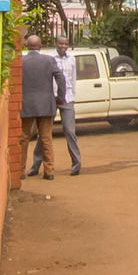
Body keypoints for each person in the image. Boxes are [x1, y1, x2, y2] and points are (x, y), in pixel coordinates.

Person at [19, 33, 65, 181]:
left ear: (27, 46)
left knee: (23, 139)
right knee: (46, 138)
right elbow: (61, 79)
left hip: (26, 104)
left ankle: (19, 171)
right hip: (46, 104)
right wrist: (60, 97)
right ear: (40, 46)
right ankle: (49, 171)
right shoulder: (49, 60)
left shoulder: (21, 61)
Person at [54, 39, 83, 176]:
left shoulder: (72, 60)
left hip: (67, 98)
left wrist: (72, 96)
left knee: (70, 131)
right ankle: (36, 165)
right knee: (44, 133)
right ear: (56, 44)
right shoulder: (50, 58)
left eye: (66, 44)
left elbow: (73, 79)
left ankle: (76, 164)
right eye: (61, 44)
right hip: (52, 97)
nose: (63, 46)